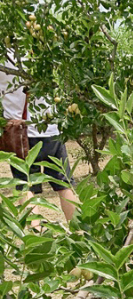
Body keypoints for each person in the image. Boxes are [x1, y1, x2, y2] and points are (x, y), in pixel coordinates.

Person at [1, 50, 79, 221]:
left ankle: (36, 237)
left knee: (26, 186)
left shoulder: (4, 56)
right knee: (64, 184)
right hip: (50, 129)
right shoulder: (43, 50)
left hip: (20, 135)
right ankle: (83, 232)